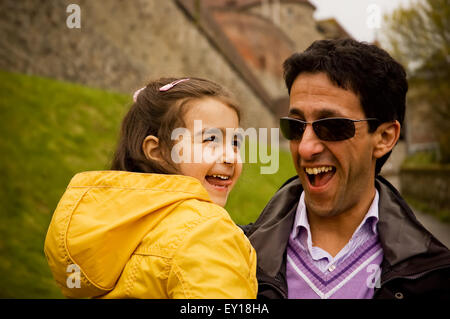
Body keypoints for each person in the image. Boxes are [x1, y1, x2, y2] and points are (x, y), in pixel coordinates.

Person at [242, 38, 450, 299]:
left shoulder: (435, 276)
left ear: (384, 138)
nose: (306, 148)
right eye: (294, 126)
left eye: (331, 126)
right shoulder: (235, 254)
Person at [44, 77, 257, 299]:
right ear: (157, 151)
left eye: (235, 142)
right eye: (210, 139)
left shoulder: (114, 226)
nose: (231, 157)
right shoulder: (206, 230)